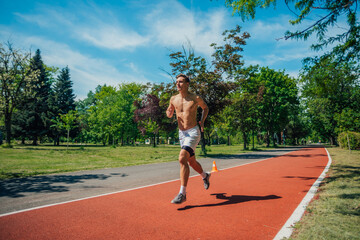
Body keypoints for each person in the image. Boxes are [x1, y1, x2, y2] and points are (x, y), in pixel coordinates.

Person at [166, 73, 210, 204]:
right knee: (191, 162)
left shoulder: (195, 98)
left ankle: (182, 193)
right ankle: (205, 176)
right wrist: (168, 113)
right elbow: (169, 112)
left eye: (180, 82)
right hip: (182, 133)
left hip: (193, 132)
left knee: (182, 158)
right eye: (176, 82)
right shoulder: (173, 99)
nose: (177, 84)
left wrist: (202, 120)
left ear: (187, 84)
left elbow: (205, 108)